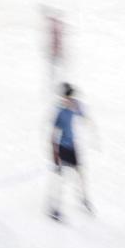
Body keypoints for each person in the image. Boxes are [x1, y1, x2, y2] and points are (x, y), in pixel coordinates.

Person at [48, 83, 93, 221]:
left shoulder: (75, 106)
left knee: (80, 173)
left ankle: (83, 199)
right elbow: (54, 133)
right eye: (68, 97)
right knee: (61, 178)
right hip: (62, 147)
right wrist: (54, 152)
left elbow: (83, 114)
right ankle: (54, 207)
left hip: (72, 146)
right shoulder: (60, 112)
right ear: (63, 97)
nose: (70, 100)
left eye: (71, 97)